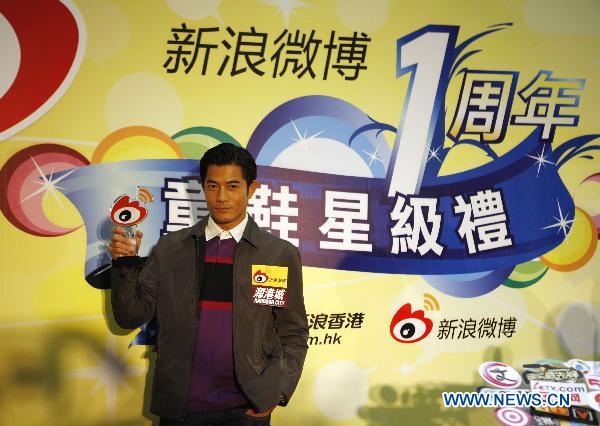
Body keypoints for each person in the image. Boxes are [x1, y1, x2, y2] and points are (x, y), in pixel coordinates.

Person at [109, 143, 309, 425]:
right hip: (180, 408)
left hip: (247, 409)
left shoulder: (277, 254)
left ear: (251, 189)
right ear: (202, 187)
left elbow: (293, 330)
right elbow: (130, 315)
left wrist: (277, 391)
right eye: (213, 186)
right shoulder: (172, 248)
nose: (222, 197)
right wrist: (125, 263)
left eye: (233, 186)